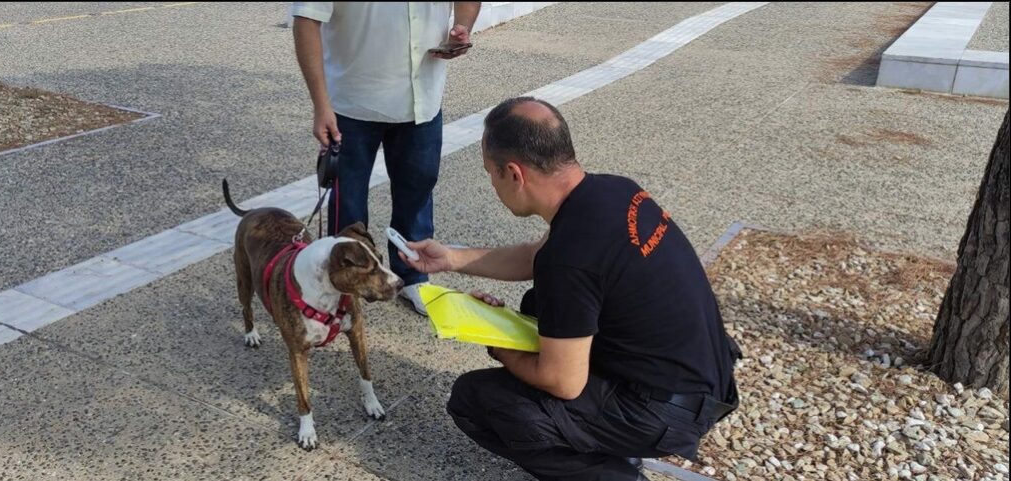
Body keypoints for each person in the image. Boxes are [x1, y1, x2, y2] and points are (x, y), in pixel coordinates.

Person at [400, 97, 742, 481]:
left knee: (478, 400)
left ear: (514, 173)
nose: (492, 184)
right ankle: (612, 439)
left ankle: (616, 472)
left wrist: (499, 344)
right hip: (708, 378)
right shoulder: (613, 191)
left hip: (666, 412)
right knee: (538, 303)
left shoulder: (571, 258)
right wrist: (451, 258)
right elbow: (536, 256)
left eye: (490, 173)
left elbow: (562, 382)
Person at [292, 2, 481, 316]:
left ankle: (412, 276)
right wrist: (320, 105)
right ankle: (341, 287)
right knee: (348, 204)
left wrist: (462, 26)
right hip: (352, 104)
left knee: (417, 190)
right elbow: (306, 21)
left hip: (423, 99)